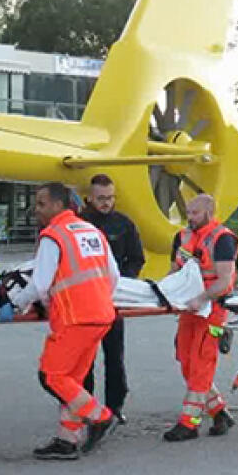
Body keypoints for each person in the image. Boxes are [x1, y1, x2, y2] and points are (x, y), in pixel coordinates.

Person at [0, 182, 121, 460]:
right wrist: (97, 298)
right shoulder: (92, 231)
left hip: (74, 317)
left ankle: (100, 416)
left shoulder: (54, 235)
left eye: (41, 204)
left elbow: (40, 284)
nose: (36, 210)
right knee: (73, 381)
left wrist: (15, 304)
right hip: (101, 315)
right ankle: (67, 440)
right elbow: (112, 276)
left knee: (51, 376)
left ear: (57, 205)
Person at [164, 194, 238, 443]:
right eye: (188, 212)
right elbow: (175, 272)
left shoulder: (222, 239)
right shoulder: (183, 237)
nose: (190, 217)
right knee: (185, 359)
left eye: (195, 213)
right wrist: (165, 293)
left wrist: (203, 297)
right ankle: (219, 412)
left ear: (209, 212)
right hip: (190, 309)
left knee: (201, 363)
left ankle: (189, 423)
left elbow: (224, 280)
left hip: (213, 310)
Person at [78, 174, 145, 424]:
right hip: (83, 300)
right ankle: (86, 405)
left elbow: (136, 259)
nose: (106, 203)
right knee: (84, 357)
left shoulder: (124, 224)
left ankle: (115, 405)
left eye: (110, 198)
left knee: (114, 355)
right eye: (101, 198)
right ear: (89, 198)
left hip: (112, 298)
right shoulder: (79, 223)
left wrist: (122, 282)